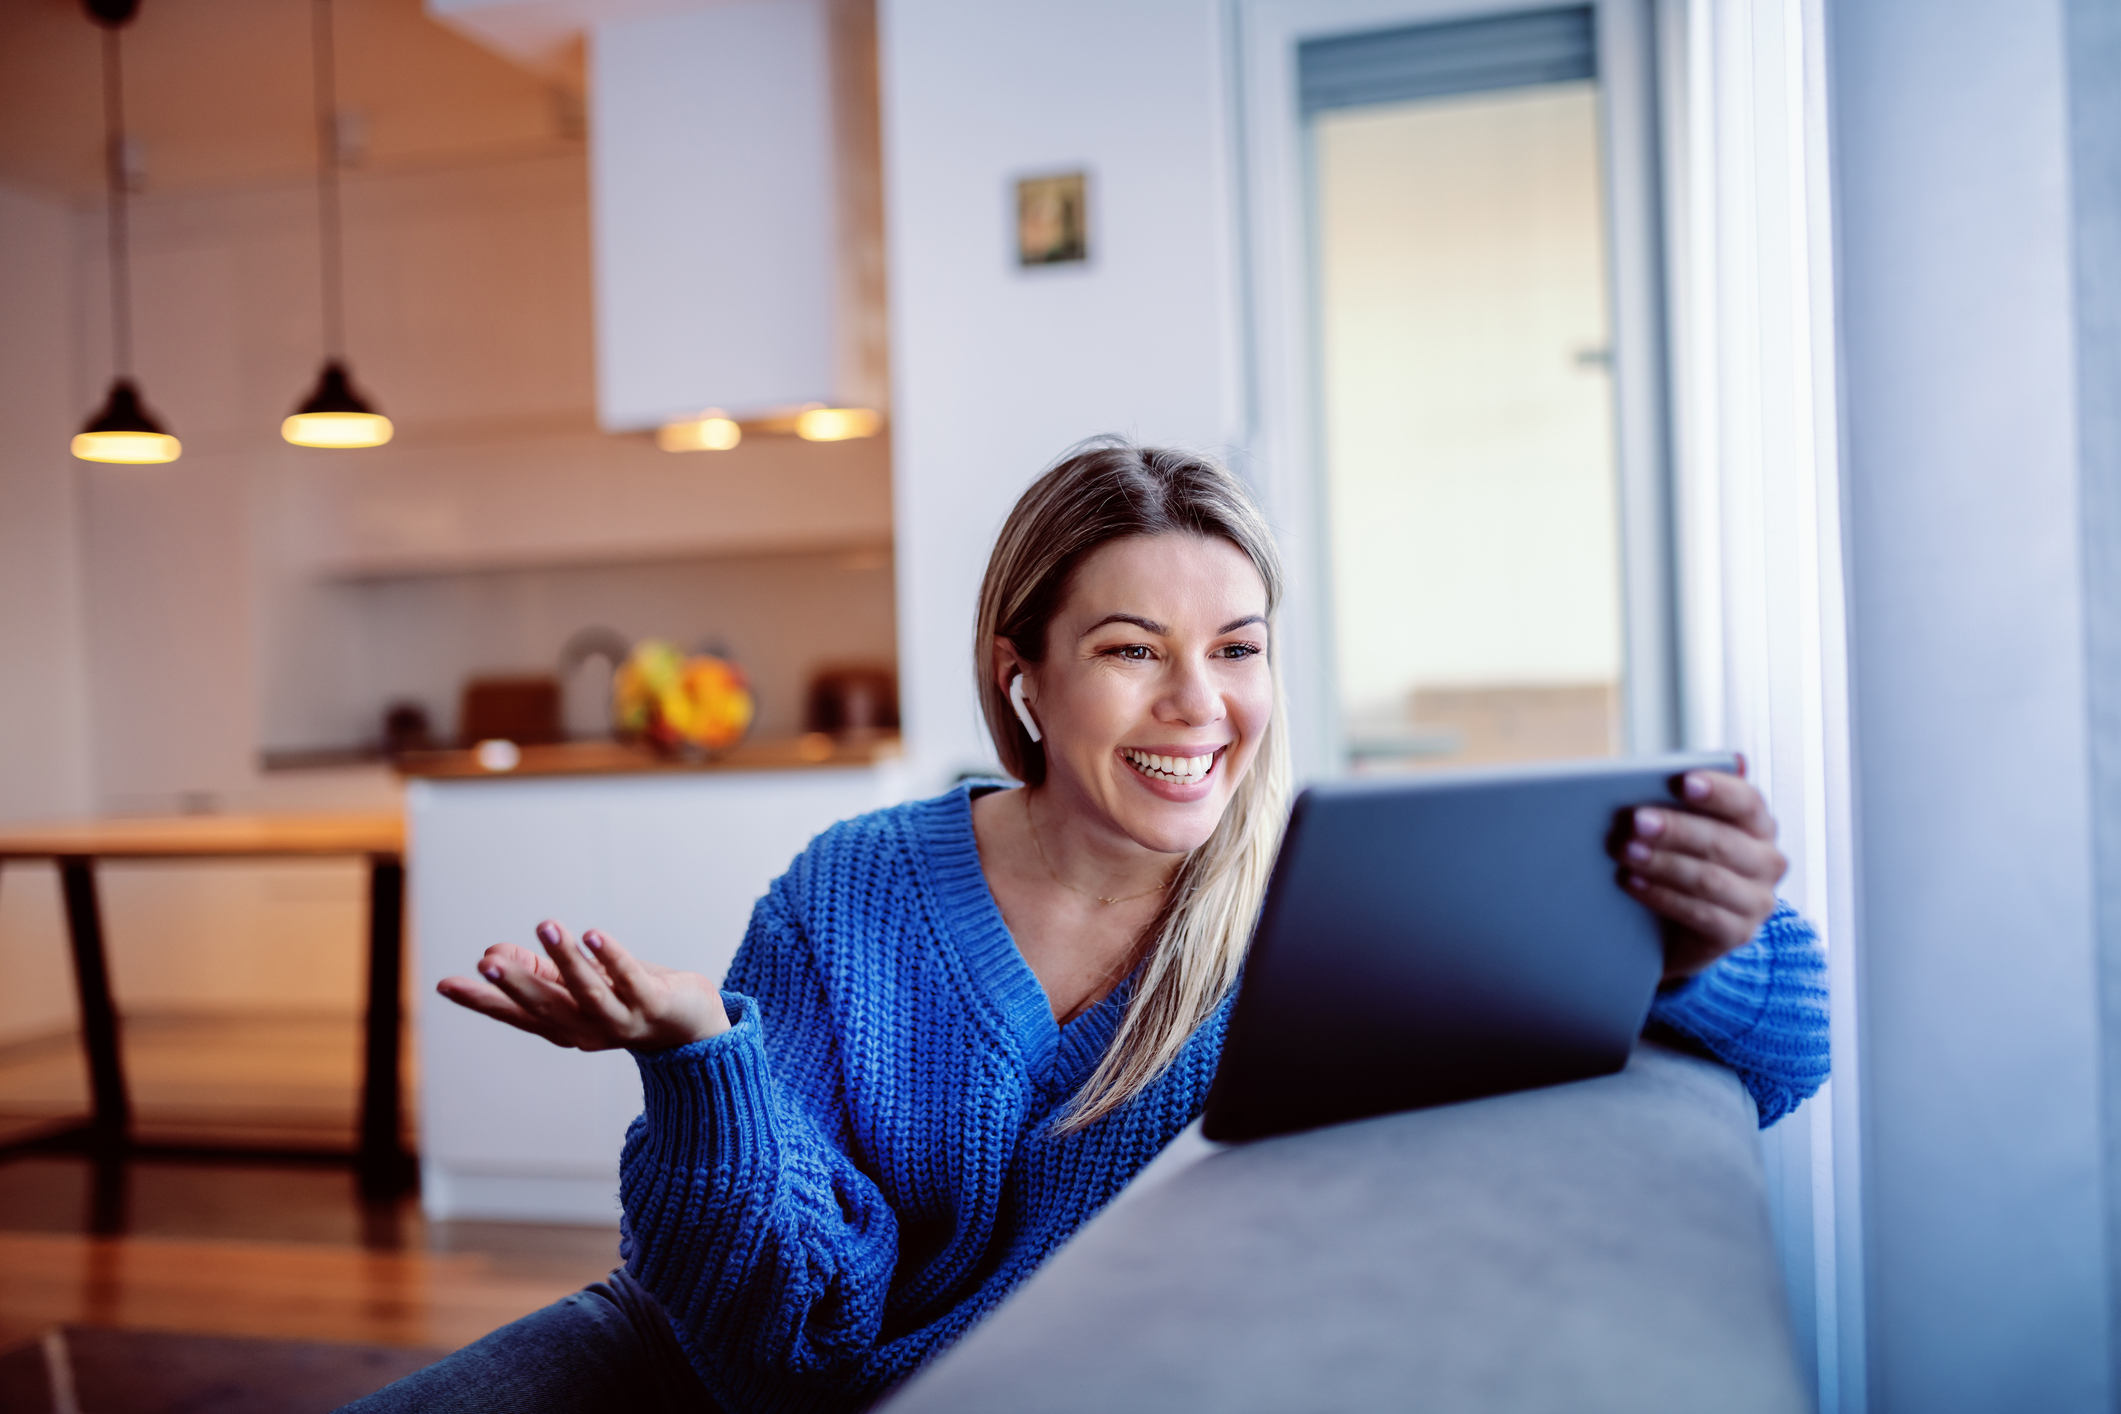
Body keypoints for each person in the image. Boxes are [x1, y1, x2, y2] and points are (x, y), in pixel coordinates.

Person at [343, 440, 1829, 1414]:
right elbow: (769, 1332)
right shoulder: (851, 887)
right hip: (684, 1361)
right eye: (1132, 651)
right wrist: (701, 1060)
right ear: (1025, 681)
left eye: (1235, 649)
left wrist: (1705, 938)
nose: (1200, 707)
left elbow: (1777, 1057)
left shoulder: (1333, 916)